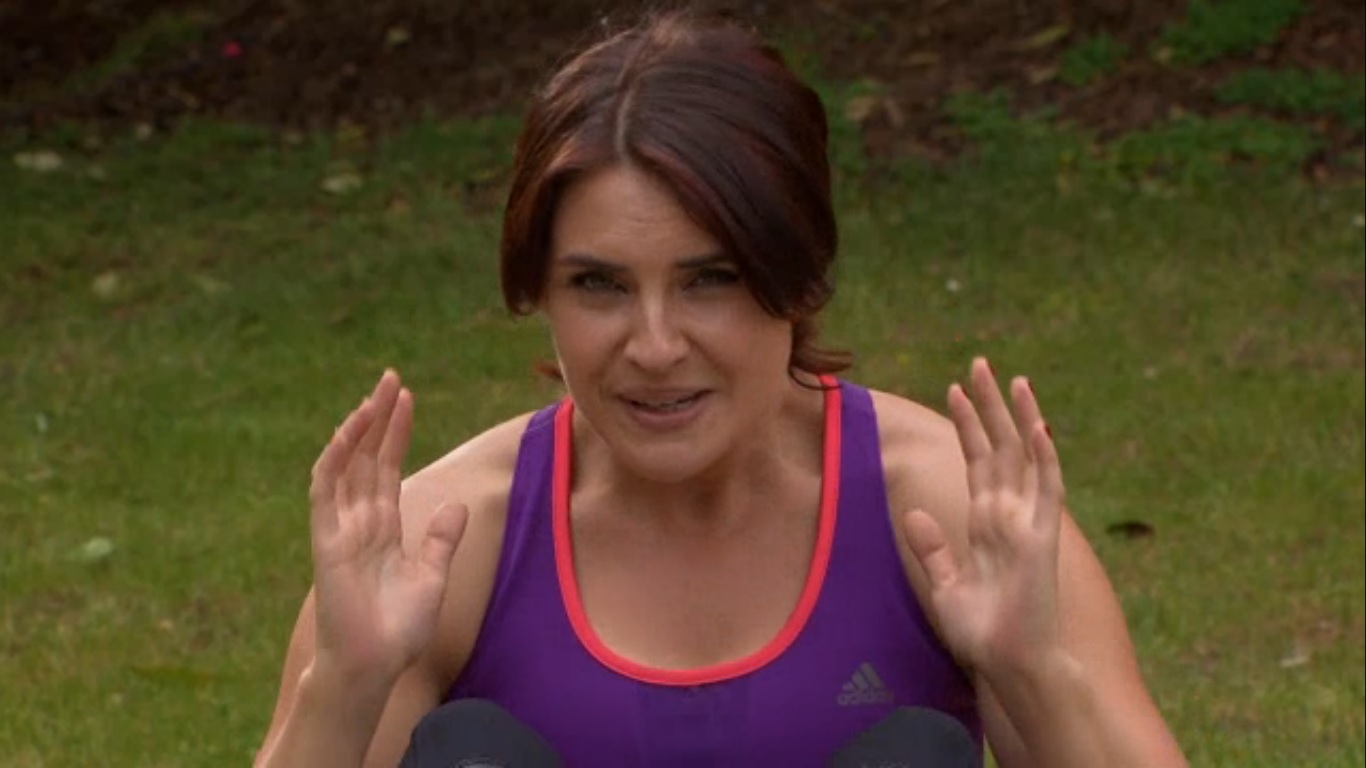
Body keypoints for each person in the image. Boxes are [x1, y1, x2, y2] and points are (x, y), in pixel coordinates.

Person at [254, 8, 1189, 767]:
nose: (656, 346)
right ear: (539, 291)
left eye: (712, 279)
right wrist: (344, 684)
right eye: (600, 285)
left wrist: (1035, 674)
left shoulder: (951, 514)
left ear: (799, 277)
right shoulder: (442, 543)